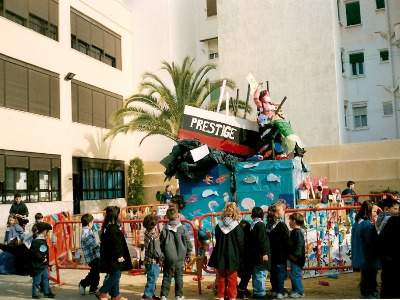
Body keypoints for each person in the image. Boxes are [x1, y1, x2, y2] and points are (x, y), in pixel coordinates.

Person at [208, 203, 244, 300]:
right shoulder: (237, 227)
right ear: (235, 213)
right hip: (233, 255)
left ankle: (221, 296)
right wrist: (241, 255)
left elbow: (218, 239)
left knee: (221, 277)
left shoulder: (218, 226)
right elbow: (240, 242)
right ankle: (232, 297)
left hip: (220, 254)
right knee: (232, 277)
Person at [97, 206, 132, 300]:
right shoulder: (112, 228)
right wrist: (119, 255)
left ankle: (115, 294)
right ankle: (103, 291)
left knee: (116, 272)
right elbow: (115, 243)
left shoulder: (108, 227)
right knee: (116, 273)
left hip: (110, 255)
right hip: (113, 256)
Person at [159, 206, 192, 300]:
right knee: (179, 276)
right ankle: (179, 295)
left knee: (167, 276)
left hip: (168, 256)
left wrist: (161, 256)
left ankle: (163, 295)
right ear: (178, 216)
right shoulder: (183, 228)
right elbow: (188, 242)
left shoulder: (165, 229)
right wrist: (188, 254)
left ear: (167, 217)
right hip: (180, 257)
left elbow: (161, 244)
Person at [351, 200, 380, 299]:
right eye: (374, 211)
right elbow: (371, 241)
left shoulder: (358, 222)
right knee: (370, 276)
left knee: (366, 276)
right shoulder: (367, 224)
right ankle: (368, 292)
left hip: (361, 255)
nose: (376, 214)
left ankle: (367, 291)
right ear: (368, 211)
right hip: (367, 256)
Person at [376, 196, 400, 299]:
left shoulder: (392, 221)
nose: (396, 211)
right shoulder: (391, 220)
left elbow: (381, 240)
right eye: (395, 209)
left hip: (389, 261)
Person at [266, 201, 291, 299]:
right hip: (281, 254)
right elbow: (287, 241)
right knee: (281, 273)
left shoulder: (268, 225)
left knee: (273, 273)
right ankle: (280, 291)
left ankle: (275, 290)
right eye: (282, 210)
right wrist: (289, 252)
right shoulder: (282, 226)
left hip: (271, 254)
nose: (284, 211)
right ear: (276, 214)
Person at [249, 207, 272, 300]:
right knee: (261, 273)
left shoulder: (253, 224)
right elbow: (262, 240)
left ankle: (256, 291)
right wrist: (264, 253)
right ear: (263, 216)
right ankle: (261, 293)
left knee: (256, 274)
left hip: (254, 254)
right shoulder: (260, 225)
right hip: (260, 254)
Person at [30, 222, 55, 299]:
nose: (48, 233)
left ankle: (47, 292)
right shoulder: (36, 242)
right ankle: (35, 293)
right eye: (47, 231)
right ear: (44, 231)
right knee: (37, 280)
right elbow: (35, 253)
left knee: (45, 278)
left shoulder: (42, 240)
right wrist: (42, 258)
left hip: (43, 265)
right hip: (37, 265)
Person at [142, 214, 163, 300]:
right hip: (153, 260)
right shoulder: (154, 236)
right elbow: (156, 250)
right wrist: (161, 257)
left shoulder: (146, 232)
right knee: (152, 278)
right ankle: (148, 294)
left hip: (147, 259)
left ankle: (150, 293)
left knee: (151, 277)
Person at [79, 213, 100, 296]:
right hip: (91, 257)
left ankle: (93, 288)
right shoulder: (86, 233)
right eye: (92, 222)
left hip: (94, 256)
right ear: (89, 223)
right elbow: (94, 245)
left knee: (95, 272)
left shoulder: (88, 231)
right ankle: (83, 283)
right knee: (94, 273)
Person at [288, 213, 306, 299]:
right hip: (294, 258)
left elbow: (299, 245)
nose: (289, 222)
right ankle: (295, 289)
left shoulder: (298, 233)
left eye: (290, 220)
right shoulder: (295, 232)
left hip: (297, 259)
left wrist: (295, 255)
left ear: (294, 221)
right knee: (294, 274)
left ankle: (299, 291)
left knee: (296, 275)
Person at [237, 219, 252, 299]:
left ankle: (242, 288)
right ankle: (240, 289)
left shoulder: (240, 235)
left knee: (245, 275)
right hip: (244, 258)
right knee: (246, 274)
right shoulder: (247, 236)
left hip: (242, 258)